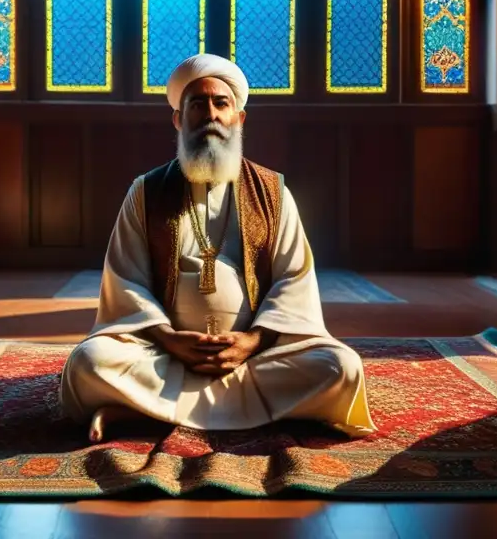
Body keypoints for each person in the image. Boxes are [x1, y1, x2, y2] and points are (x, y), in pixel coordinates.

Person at [59, 53, 376, 443]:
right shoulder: (146, 192)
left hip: (252, 355)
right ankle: (264, 412)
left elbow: (294, 278)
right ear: (178, 119)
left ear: (239, 119)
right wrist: (168, 339)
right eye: (197, 104)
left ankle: (138, 410)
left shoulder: (273, 191)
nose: (210, 113)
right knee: (87, 364)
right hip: (165, 356)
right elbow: (126, 281)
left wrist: (253, 341)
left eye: (221, 103)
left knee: (340, 367)